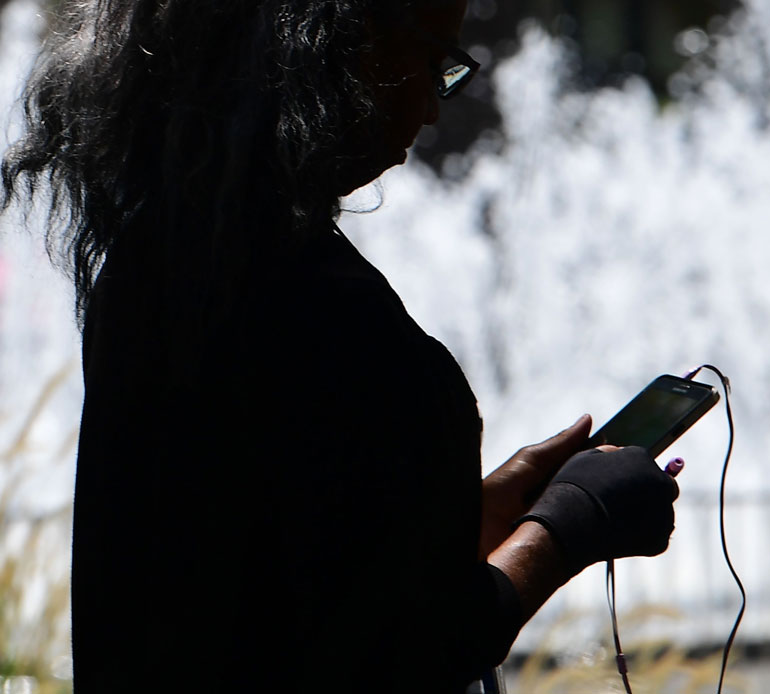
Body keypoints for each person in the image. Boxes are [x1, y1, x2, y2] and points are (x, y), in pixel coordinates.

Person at [2, 1, 680, 691]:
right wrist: (569, 525)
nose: (434, 105)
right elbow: (408, 649)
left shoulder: (163, 266)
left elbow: (286, 570)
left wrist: (478, 508)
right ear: (333, 49)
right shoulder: (318, 303)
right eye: (431, 58)